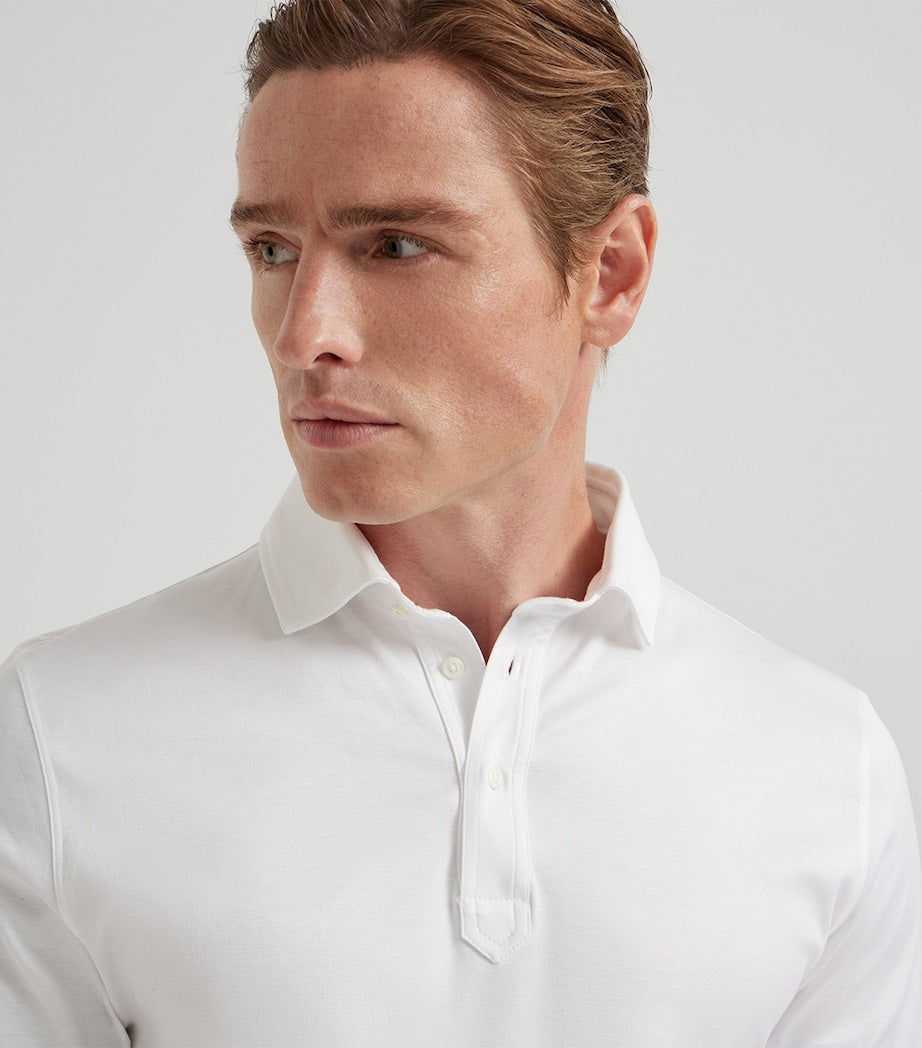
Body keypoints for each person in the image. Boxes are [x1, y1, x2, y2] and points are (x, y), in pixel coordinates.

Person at [1, 0, 919, 1043]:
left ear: (611, 273)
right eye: (271, 248)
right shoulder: (62, 736)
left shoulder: (821, 767)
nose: (305, 334)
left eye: (395, 245)